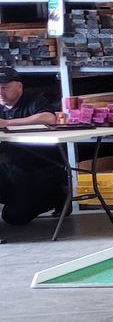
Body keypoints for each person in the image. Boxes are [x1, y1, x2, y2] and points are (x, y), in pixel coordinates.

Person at [0, 67, 70, 229]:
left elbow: (49, 118)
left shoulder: (34, 101)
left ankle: (57, 196)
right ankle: (17, 198)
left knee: (14, 217)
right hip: (11, 167)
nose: (1, 93)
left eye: (5, 88)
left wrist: (8, 123)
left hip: (39, 170)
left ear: (19, 87)